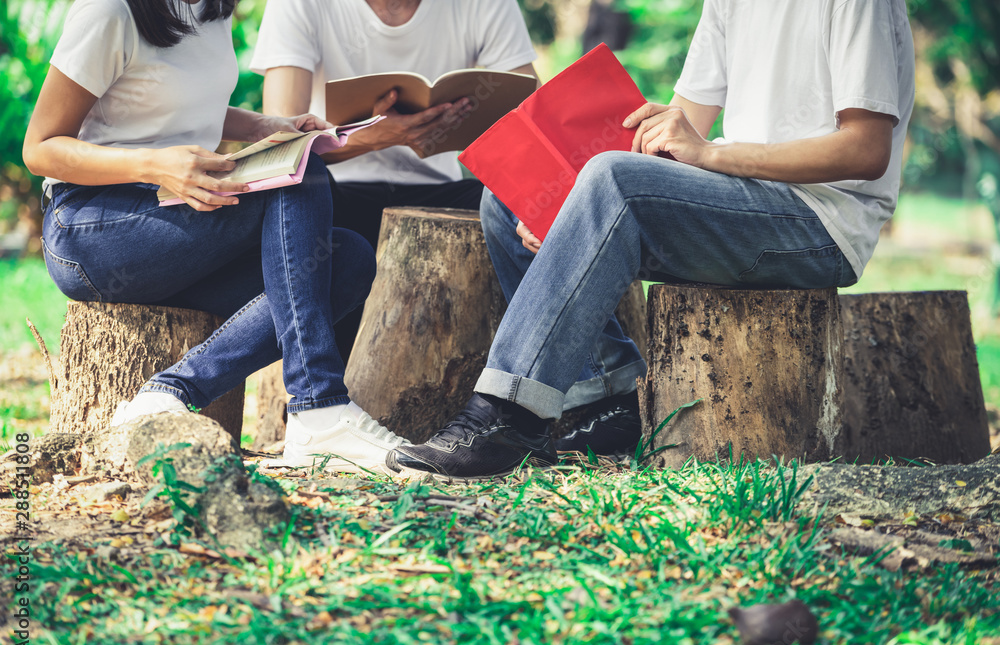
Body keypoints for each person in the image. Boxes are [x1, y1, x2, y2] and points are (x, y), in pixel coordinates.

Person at [385, 0, 917, 479]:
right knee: (510, 198)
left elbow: (866, 150)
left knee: (615, 177)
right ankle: (609, 403)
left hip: (819, 223)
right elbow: (673, 128)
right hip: (736, 199)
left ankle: (507, 416)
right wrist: (558, 204)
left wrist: (711, 154)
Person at [23, 0, 407, 476]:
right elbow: (39, 148)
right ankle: (319, 405)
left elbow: (176, 99)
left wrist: (266, 127)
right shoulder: (110, 11)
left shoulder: (211, 8)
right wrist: (153, 163)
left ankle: (170, 393)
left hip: (175, 222)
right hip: (92, 230)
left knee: (347, 258)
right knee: (302, 179)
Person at [251, 0, 539, 359]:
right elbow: (279, 148)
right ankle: (322, 384)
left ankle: (528, 380)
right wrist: (375, 137)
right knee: (305, 193)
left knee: (518, 208)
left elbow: (530, 117)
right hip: (336, 188)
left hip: (442, 191)